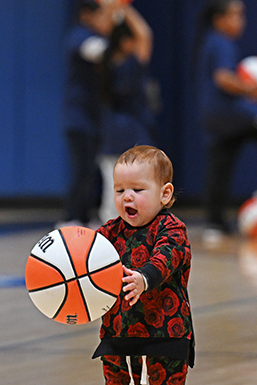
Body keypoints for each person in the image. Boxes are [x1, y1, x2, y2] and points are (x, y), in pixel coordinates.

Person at [82, 146, 194, 385]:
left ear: (165, 193)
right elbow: (84, 257)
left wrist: (144, 279)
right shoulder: (109, 233)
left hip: (165, 330)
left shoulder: (171, 229)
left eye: (137, 190)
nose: (127, 197)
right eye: (119, 190)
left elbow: (166, 259)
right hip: (119, 328)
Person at [196, 0, 257, 243]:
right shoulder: (221, 42)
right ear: (220, 19)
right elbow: (223, 78)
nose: (242, 22)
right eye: (237, 15)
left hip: (213, 116)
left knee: (220, 163)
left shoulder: (210, 41)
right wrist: (251, 89)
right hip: (235, 112)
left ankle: (215, 221)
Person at [97, 4, 157, 223]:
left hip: (109, 134)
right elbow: (145, 34)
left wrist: (110, 11)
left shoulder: (103, 61)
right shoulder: (133, 63)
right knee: (141, 190)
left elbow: (102, 29)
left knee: (111, 192)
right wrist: (123, 7)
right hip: (133, 134)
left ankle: (108, 244)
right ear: (126, 42)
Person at [61, 0, 114, 227]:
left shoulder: (96, 36)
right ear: (86, 15)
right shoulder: (79, 36)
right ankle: (71, 217)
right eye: (101, 15)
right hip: (78, 118)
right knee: (82, 168)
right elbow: (98, 51)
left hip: (93, 118)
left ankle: (83, 216)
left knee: (90, 170)